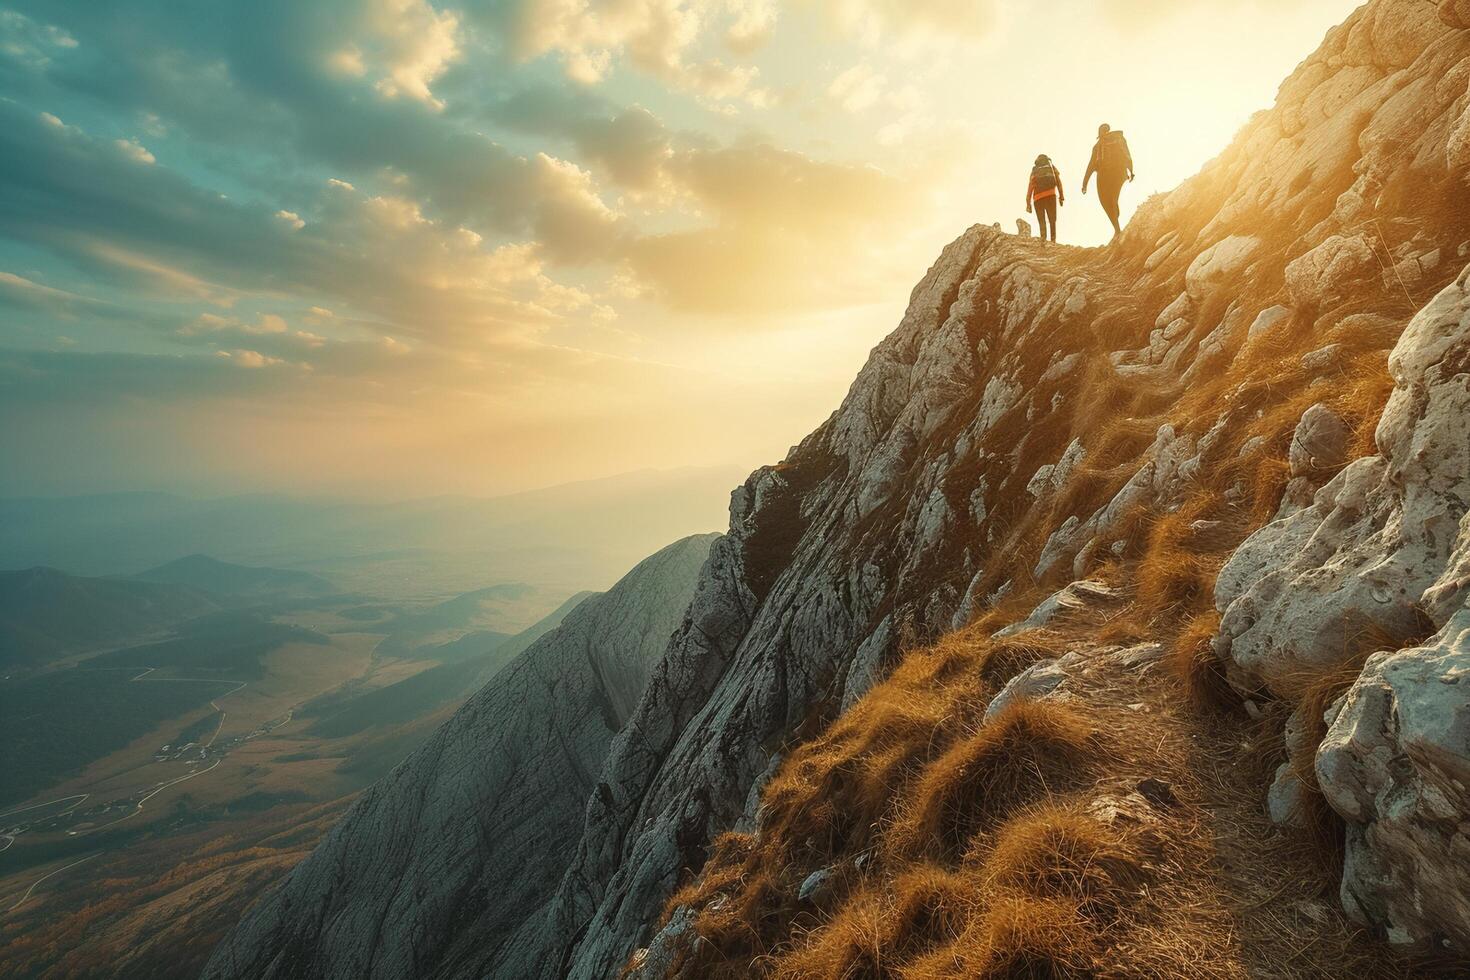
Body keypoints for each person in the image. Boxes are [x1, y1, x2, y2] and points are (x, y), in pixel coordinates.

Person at [1082, 123, 1134, 240]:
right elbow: (1127, 154)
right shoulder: (1119, 139)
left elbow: (1091, 165)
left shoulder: (1097, 146)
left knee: (1105, 202)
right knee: (1113, 199)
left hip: (1104, 175)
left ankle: (1117, 229)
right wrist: (1131, 170)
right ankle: (1115, 214)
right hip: (1120, 173)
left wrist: (1085, 183)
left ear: (1099, 133)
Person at [1026, 154, 1064, 243]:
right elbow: (1058, 182)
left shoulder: (1035, 170)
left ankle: (1043, 240)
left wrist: (1028, 203)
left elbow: (1030, 186)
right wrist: (1061, 197)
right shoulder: (1051, 167)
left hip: (1038, 198)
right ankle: (1053, 241)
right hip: (1051, 195)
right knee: (1052, 220)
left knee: (1042, 221)